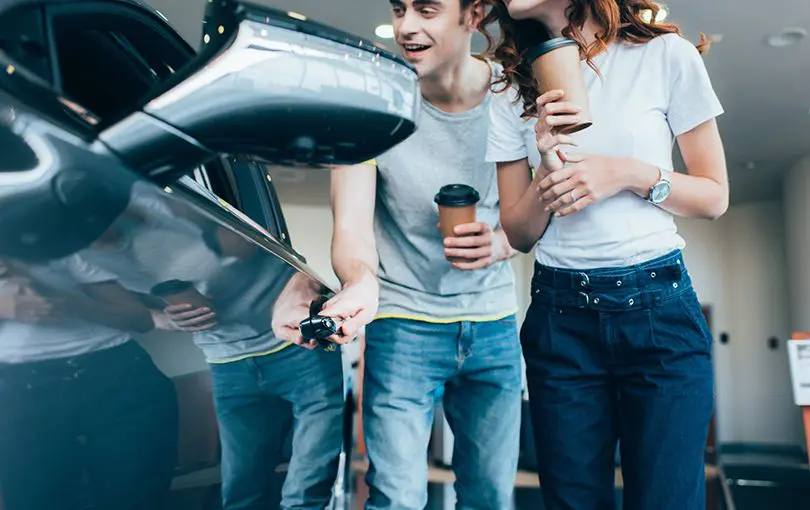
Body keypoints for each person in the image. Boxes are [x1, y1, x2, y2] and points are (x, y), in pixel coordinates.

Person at [277, 0, 523, 508]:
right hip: (404, 322)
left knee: (491, 497)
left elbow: (546, 199)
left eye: (427, 9)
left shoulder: (517, 93)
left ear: (473, 16)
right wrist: (360, 283)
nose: (406, 26)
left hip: (494, 323)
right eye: (399, 8)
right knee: (397, 498)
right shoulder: (372, 101)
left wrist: (503, 241)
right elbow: (351, 229)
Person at [484, 0, 728, 509]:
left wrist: (629, 174)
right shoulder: (509, 87)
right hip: (560, 317)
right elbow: (520, 231)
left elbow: (713, 196)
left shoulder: (666, 55)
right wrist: (547, 163)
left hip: (660, 311)